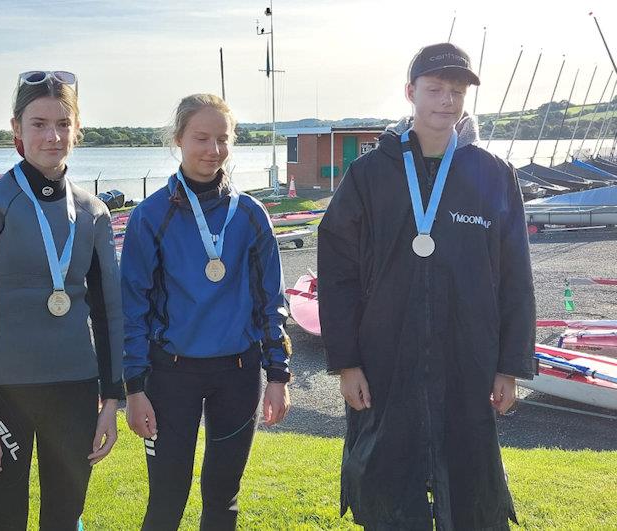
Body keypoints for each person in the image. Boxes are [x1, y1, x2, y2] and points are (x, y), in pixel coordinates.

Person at [318, 43, 536, 530]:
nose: (446, 101)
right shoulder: (370, 174)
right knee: (388, 488)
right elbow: (337, 273)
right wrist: (346, 361)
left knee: (471, 490)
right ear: (410, 92)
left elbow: (516, 277)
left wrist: (510, 366)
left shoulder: (491, 174)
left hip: (469, 360)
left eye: (456, 92)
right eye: (435, 89)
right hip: (385, 360)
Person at [0, 70, 124, 530]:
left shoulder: (93, 212)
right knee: (4, 522)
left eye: (63, 124)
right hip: (1, 394)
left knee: (65, 520)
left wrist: (111, 401)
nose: (53, 135)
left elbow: (107, 313)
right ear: (16, 130)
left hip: (76, 390)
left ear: (77, 130)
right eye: (39, 123)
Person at [120, 93, 292, 530]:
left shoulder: (251, 215)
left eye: (222, 139)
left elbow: (271, 302)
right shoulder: (149, 215)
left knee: (222, 499)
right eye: (201, 138)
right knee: (166, 499)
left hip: (237, 374)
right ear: (178, 139)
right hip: (170, 376)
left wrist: (278, 376)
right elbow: (132, 309)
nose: (212, 150)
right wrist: (134, 387)